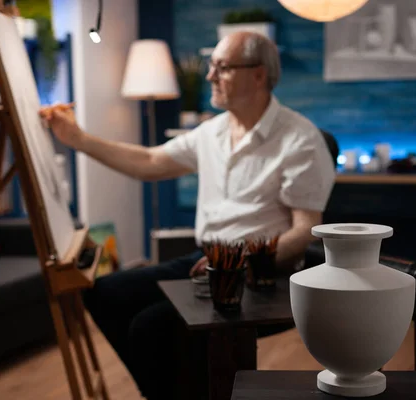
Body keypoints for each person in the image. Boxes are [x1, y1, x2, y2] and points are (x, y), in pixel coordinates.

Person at [40, 31, 336, 400]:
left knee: (154, 326)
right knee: (106, 293)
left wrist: (247, 259)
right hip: (206, 261)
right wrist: (78, 139)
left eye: (222, 67)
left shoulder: (300, 139)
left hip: (264, 275)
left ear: (258, 75)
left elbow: (307, 229)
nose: (210, 75)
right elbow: (149, 162)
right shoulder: (211, 132)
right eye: (211, 66)